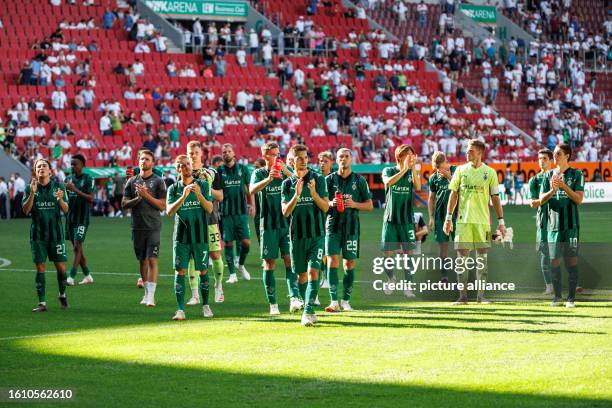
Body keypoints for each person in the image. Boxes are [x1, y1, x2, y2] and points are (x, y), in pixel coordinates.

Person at [444, 139, 506, 305]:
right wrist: (448, 218)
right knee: (461, 259)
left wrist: (501, 222)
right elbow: (454, 194)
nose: (467, 152)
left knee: (482, 260)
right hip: (463, 222)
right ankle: (462, 297)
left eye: (470, 150)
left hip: (483, 222)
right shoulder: (460, 170)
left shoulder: (490, 173)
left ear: (480, 152)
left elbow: (495, 198)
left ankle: (481, 296)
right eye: (467, 149)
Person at [281, 144, 329, 326]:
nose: (303, 161)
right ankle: (308, 305)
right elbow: (285, 212)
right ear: (292, 161)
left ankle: (308, 311)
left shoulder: (317, 178)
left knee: (313, 272)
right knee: (301, 276)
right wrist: (297, 195)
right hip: (297, 237)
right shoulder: (287, 184)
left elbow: (325, 206)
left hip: (316, 235)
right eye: (299, 158)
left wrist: (314, 193)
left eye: (305, 157)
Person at [250, 142, 300, 315]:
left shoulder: (286, 172)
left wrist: (289, 173)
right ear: (265, 156)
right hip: (268, 225)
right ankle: (273, 305)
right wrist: (269, 179)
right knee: (269, 263)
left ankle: (294, 298)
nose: (277, 158)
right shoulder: (258, 173)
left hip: (286, 224)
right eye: (273, 154)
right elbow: (252, 190)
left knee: (289, 260)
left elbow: (300, 183)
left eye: (278, 154)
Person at [324, 148, 373, 312]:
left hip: (352, 227)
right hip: (332, 226)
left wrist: (354, 204)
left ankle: (345, 301)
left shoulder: (360, 180)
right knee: (332, 261)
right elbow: (321, 203)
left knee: (349, 262)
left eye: (346, 156)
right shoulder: (329, 180)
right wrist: (331, 203)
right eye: (340, 157)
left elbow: (369, 205)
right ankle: (333, 302)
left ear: (351, 159)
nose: (343, 159)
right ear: (336, 160)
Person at [167, 155, 214, 320]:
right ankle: (180, 310)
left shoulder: (201, 184)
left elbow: (209, 209)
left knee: (203, 270)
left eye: (187, 164)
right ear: (177, 169)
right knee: (180, 271)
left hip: (200, 235)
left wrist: (199, 195)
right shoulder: (173, 188)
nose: (185, 167)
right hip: (181, 236)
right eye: (181, 165)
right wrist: (184, 196)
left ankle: (206, 305)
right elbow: (169, 211)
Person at [539, 144, 584, 308]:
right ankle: (557, 297)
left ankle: (571, 298)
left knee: (571, 262)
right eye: (555, 154)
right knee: (554, 261)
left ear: (567, 156)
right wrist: (552, 190)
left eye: (558, 153)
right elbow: (541, 200)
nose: (555, 156)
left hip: (571, 226)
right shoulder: (548, 175)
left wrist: (564, 186)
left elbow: (579, 199)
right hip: (553, 226)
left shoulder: (577, 174)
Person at [22, 159, 70, 312]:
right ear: (35, 171)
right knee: (40, 267)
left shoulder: (58, 186)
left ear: (50, 171)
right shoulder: (29, 188)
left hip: (56, 235)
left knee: (61, 268)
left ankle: (62, 294)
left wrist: (61, 199)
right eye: (38, 167)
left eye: (44, 166)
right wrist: (32, 194)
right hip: (38, 236)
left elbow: (67, 210)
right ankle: (42, 303)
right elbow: (26, 211)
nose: (41, 168)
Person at [122, 150, 167, 307]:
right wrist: (138, 198)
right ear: (138, 161)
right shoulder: (131, 181)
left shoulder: (159, 181)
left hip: (153, 226)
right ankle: (146, 293)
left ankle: (152, 296)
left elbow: (162, 205)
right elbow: (124, 204)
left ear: (152, 162)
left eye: (147, 159)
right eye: (142, 159)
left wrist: (146, 196)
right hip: (137, 227)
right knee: (142, 261)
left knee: (152, 259)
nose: (144, 161)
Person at [186, 141, 225, 305]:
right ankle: (194, 294)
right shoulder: (184, 173)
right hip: (192, 221)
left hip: (210, 220)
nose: (193, 155)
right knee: (192, 257)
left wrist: (206, 189)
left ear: (201, 153)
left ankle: (219, 287)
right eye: (190, 153)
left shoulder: (212, 173)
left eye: (195, 152)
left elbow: (220, 196)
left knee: (215, 255)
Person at [381, 145, 421, 298]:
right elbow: (388, 182)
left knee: (409, 253)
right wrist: (404, 170)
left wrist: (412, 169)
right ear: (400, 156)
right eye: (408, 154)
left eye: (412, 154)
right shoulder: (389, 170)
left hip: (406, 219)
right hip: (390, 219)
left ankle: (408, 286)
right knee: (387, 253)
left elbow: (417, 186)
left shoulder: (411, 172)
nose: (411, 157)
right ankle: (391, 278)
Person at [218, 144, 253, 284]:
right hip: (226, 212)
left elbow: (250, 189)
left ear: (234, 153)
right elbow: (216, 193)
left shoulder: (243, 169)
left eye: (229, 151)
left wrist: (253, 205)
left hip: (241, 212)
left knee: (246, 242)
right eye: (224, 151)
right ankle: (232, 274)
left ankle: (241, 264)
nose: (226, 153)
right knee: (228, 243)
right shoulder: (219, 171)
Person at [64, 154, 95, 285]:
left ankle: (71, 276)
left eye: (75, 164)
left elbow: (91, 198)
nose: (72, 166)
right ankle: (87, 275)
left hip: (82, 218)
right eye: (71, 164)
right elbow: (65, 198)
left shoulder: (88, 178)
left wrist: (75, 189)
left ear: (82, 165)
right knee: (77, 248)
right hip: (70, 217)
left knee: (77, 247)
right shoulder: (68, 178)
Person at [427, 151, 456, 283]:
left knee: (460, 248)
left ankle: (461, 277)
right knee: (443, 248)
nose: (439, 170)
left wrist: (449, 176)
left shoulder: (456, 171)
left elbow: (462, 190)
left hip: (456, 216)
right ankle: (444, 276)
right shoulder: (433, 178)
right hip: (440, 217)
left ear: (446, 162)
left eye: (441, 166)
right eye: (437, 168)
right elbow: (431, 198)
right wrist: (431, 217)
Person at [528, 148, 554, 295]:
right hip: (544, 219)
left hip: (559, 218)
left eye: (544, 158)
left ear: (551, 160)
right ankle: (549, 286)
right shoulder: (534, 180)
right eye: (540, 159)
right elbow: (532, 203)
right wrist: (547, 197)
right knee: (545, 252)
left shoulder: (559, 177)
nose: (542, 161)